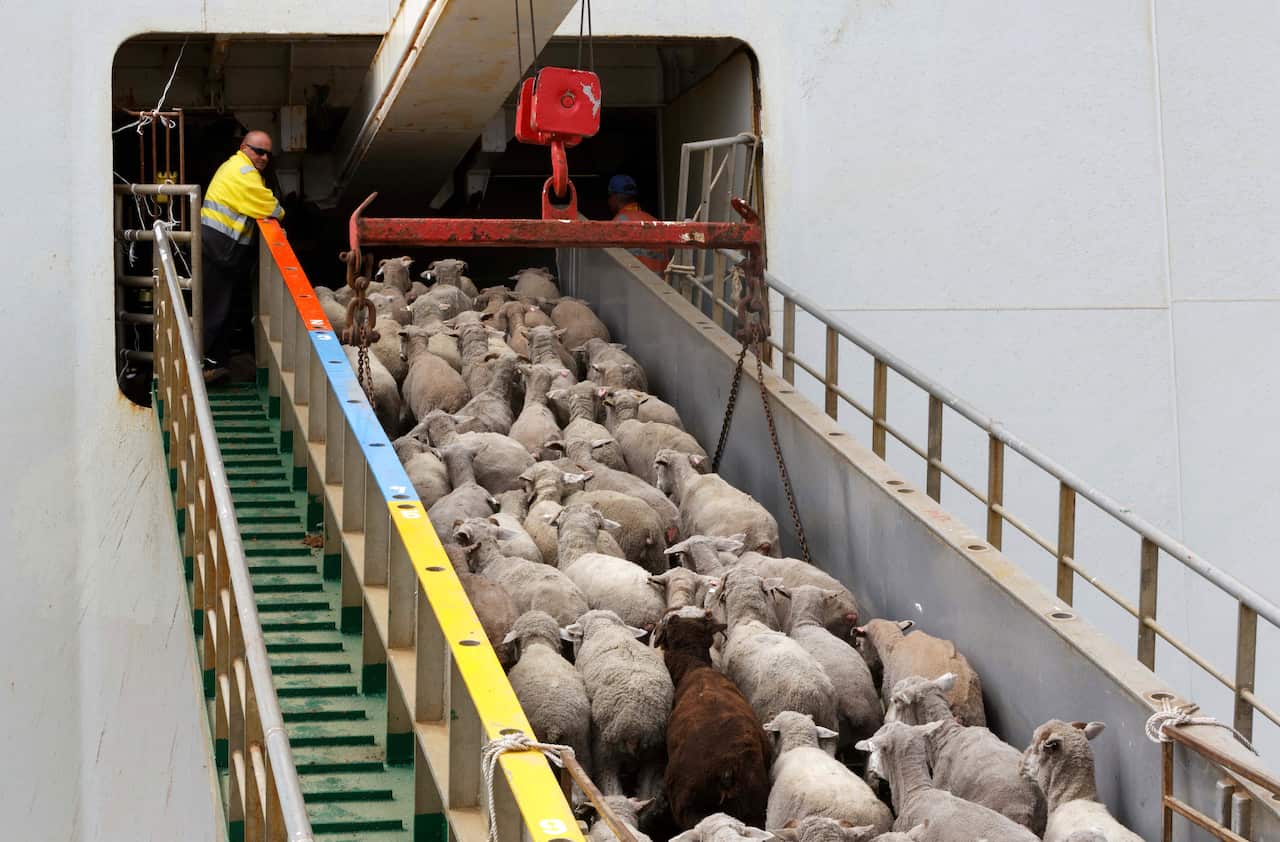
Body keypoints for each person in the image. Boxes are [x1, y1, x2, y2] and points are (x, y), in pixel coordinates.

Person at [199, 130, 284, 381]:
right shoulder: (244, 173)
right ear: (244, 148)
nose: (264, 158)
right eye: (258, 151)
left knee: (219, 306)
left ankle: (215, 363)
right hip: (222, 247)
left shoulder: (235, 167)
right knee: (216, 308)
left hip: (218, 246)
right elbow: (271, 208)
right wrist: (278, 209)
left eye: (268, 153)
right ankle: (206, 365)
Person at [607, 174, 669, 273]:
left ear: (614, 197)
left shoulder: (616, 225)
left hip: (630, 286)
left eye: (609, 196)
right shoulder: (656, 223)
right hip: (658, 286)